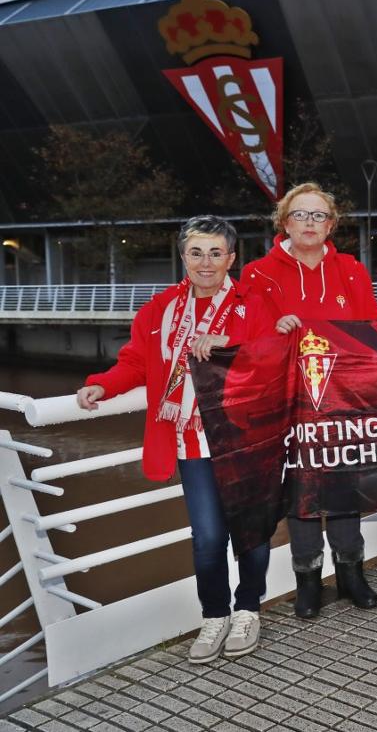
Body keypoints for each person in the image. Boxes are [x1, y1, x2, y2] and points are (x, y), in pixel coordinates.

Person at [78, 216, 276, 664]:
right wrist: (103, 385)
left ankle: (248, 609)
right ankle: (214, 615)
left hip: (247, 439)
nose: (205, 263)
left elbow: (276, 358)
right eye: (196, 252)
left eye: (215, 253)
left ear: (231, 258)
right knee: (208, 537)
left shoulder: (254, 303)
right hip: (192, 442)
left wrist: (229, 343)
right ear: (183, 257)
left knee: (252, 531)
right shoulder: (159, 309)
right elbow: (136, 364)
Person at [241, 182, 377, 619]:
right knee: (301, 491)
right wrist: (272, 329)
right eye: (300, 214)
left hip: (341, 400)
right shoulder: (257, 274)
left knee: (342, 487)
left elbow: (373, 331)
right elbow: (247, 340)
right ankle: (307, 579)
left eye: (319, 216)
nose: (310, 223)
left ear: (331, 225)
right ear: (284, 221)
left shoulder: (352, 271)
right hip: (288, 404)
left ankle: (350, 574)